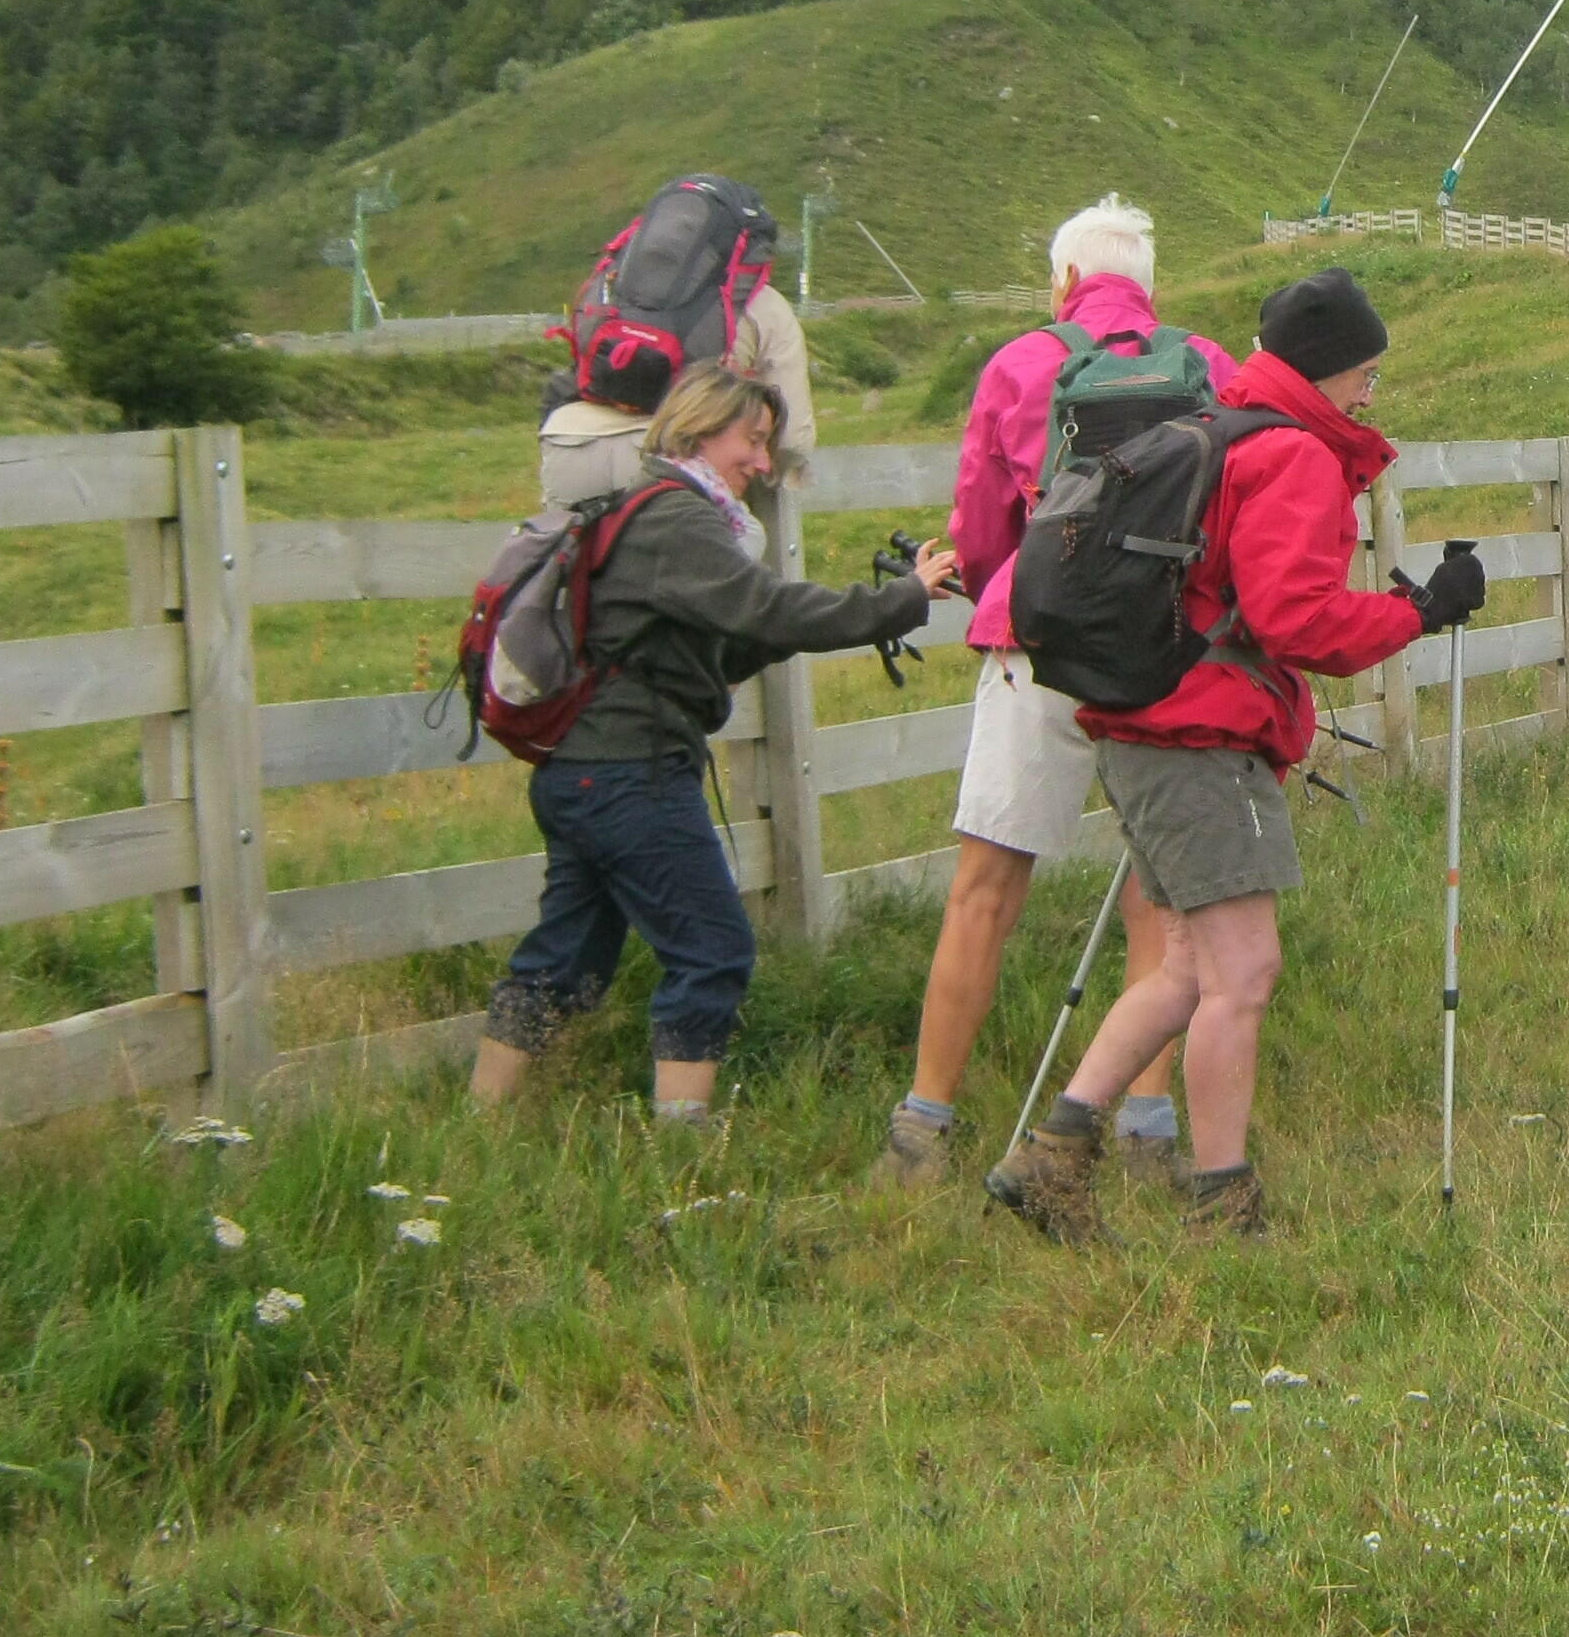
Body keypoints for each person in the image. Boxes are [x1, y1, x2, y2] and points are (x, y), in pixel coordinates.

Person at [985, 268, 1480, 1242]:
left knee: (1185, 969)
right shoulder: (1290, 454)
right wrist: (1417, 613)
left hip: (1145, 726)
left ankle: (1053, 1157)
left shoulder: (1219, 430)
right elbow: (1297, 620)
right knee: (1243, 973)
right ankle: (1222, 1203)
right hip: (1201, 739)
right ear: (1326, 369)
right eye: (1365, 373)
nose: (1369, 394)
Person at [472, 364, 952, 1121]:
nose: (762, 462)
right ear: (698, 430)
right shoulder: (677, 518)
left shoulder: (647, 509)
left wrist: (865, 611)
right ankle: (681, 1146)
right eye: (751, 441)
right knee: (712, 950)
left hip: (581, 775)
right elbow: (770, 607)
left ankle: (482, 1122)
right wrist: (901, 600)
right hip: (632, 777)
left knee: (561, 963)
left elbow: (724, 647)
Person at [874, 197, 1234, 1191]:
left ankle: (924, 1123)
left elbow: (984, 526)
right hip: (1164, 652)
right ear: (1149, 287)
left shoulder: (1020, 362)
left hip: (1035, 643)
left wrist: (1001, 583)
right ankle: (1147, 1123)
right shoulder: (1206, 361)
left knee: (985, 888)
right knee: (1159, 898)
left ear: (1065, 281)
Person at [540, 186, 818, 509]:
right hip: (677, 458)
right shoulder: (764, 304)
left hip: (572, 445)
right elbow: (792, 438)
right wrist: (770, 465)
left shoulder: (614, 281)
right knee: (731, 538)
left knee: (576, 543)